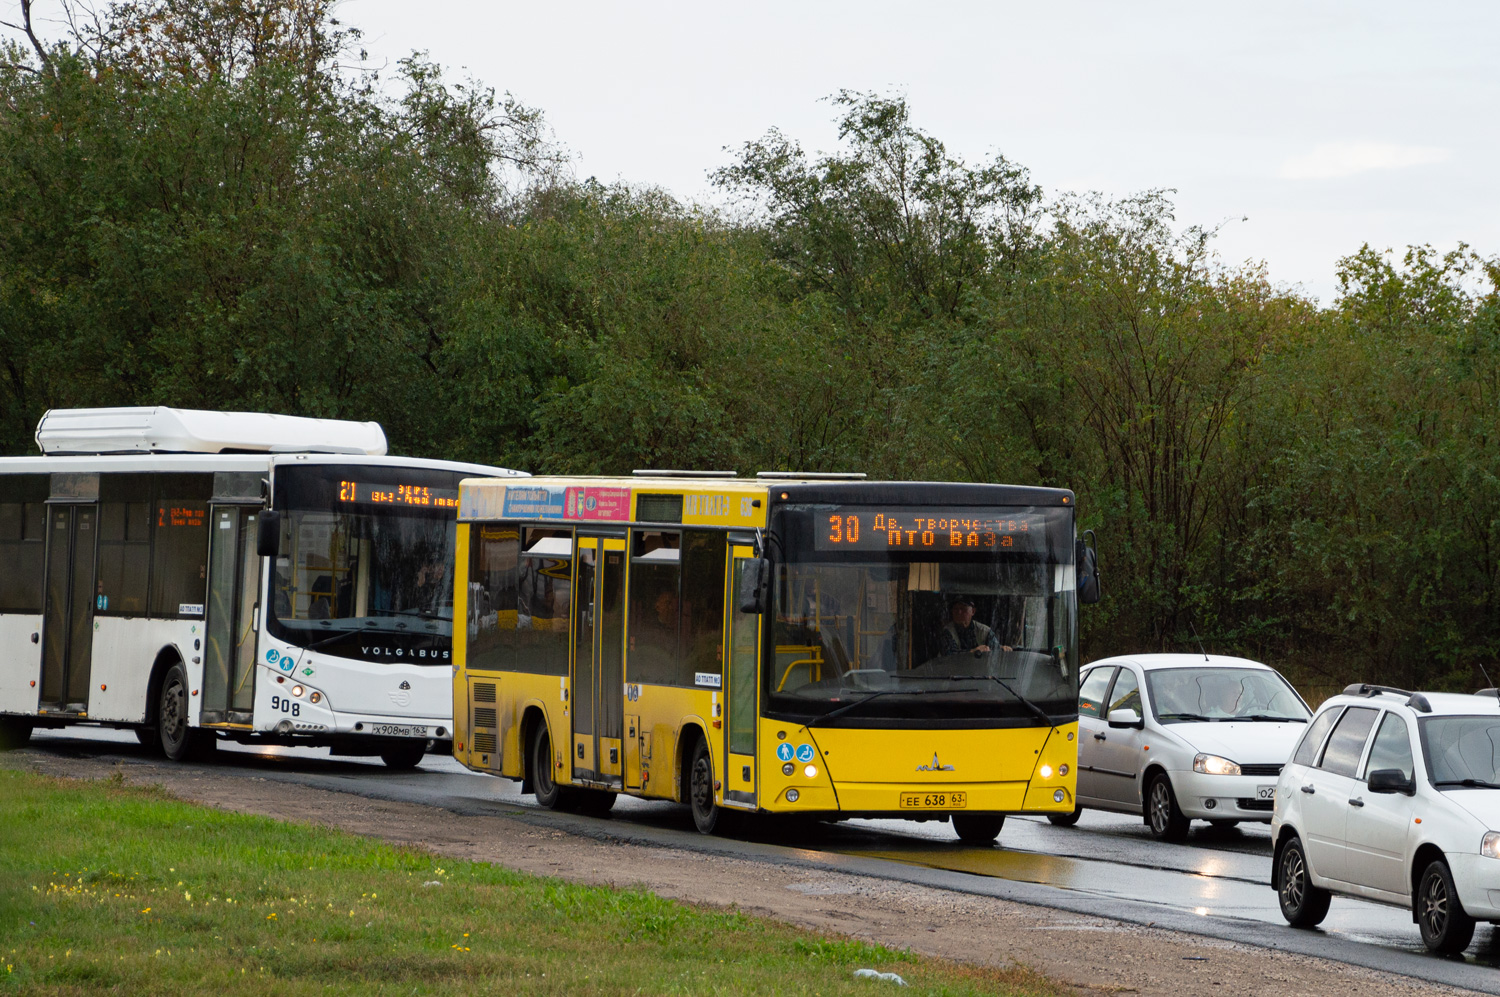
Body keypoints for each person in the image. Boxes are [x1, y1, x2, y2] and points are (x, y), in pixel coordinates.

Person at [938, 598, 1012, 657]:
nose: (959, 612)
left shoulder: (984, 631)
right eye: (955, 609)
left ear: (973, 611)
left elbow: (995, 651)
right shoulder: (947, 631)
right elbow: (949, 655)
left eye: (963, 609)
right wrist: (973, 652)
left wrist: (1002, 649)